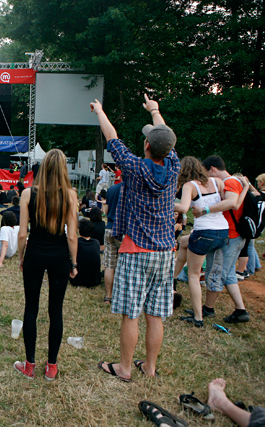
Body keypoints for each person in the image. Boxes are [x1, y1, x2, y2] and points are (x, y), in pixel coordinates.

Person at [92, 94, 179, 381]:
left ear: (147, 145)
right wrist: (155, 110)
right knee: (155, 315)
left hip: (135, 250)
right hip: (165, 252)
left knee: (131, 313)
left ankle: (126, 368)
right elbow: (166, 137)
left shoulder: (135, 167)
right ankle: (150, 367)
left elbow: (111, 136)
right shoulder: (174, 165)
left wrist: (100, 111)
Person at [13, 149, 78, 380]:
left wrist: (21, 257)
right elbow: (72, 235)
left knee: (31, 308)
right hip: (59, 255)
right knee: (55, 310)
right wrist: (74, 262)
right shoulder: (70, 195)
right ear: (63, 169)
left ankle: (29, 365)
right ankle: (51, 366)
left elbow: (22, 233)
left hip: (35, 254)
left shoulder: (28, 193)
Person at [173, 156, 232, 327]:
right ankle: (173, 278)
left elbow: (183, 208)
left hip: (204, 233)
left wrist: (165, 203)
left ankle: (198, 317)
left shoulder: (189, 186)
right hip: (222, 232)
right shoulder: (216, 182)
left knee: (193, 275)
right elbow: (224, 202)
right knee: (184, 242)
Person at [103, 182, 122, 304]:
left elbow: (106, 209)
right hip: (123, 230)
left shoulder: (112, 188)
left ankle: (108, 296)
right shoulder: (131, 188)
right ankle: (120, 295)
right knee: (123, 265)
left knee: (109, 265)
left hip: (109, 227)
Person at [69, 219, 101, 288]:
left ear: (79, 231)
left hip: (77, 279)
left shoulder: (76, 243)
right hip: (95, 280)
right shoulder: (96, 243)